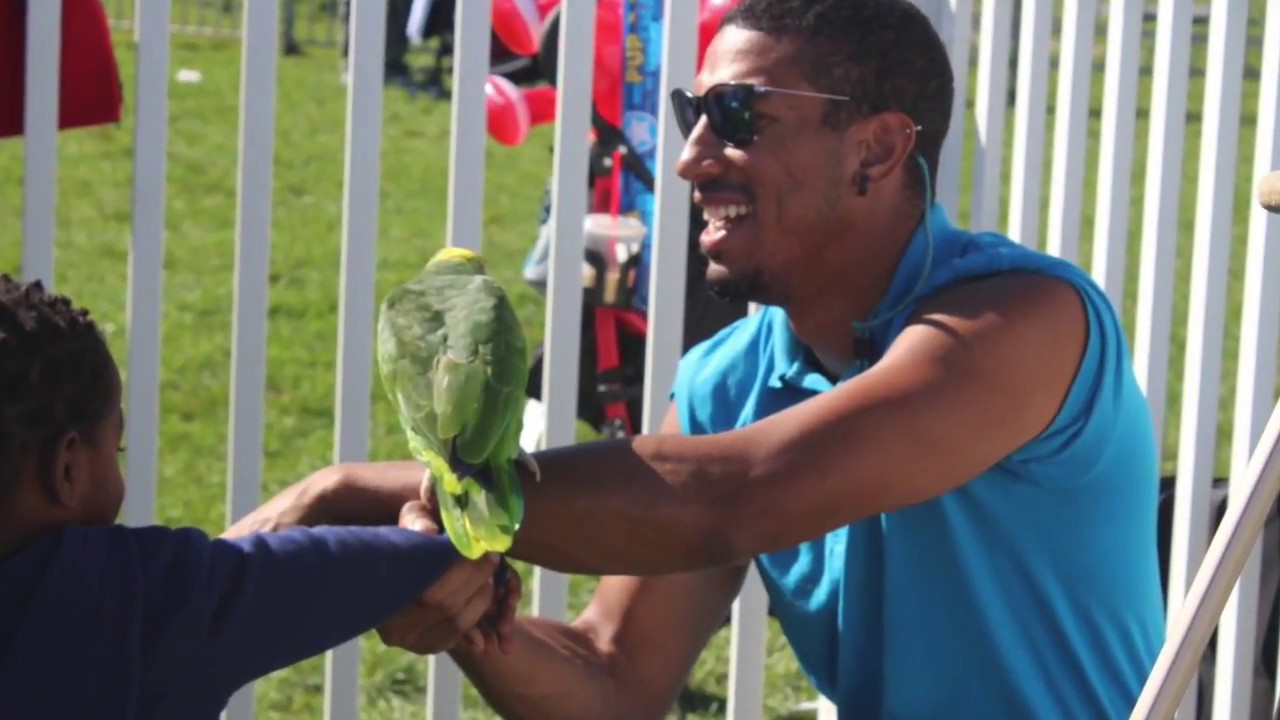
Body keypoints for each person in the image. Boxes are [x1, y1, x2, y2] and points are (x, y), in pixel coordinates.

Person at [243, 0, 1167, 717]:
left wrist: (346, 492)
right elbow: (611, 680)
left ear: (878, 149)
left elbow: (737, 496)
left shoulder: (1024, 322)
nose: (689, 159)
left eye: (737, 114)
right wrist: (474, 626)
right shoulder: (726, 379)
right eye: (693, 111)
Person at [0, 275, 517, 720]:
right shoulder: (128, 602)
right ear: (67, 468)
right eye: (116, 447)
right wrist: (449, 546)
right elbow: (334, 574)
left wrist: (327, 492)